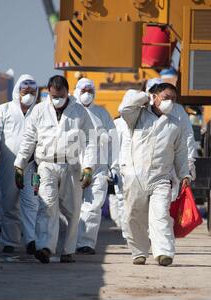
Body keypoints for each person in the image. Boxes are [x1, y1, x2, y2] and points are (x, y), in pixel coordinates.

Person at [14, 75, 96, 264]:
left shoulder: (80, 113)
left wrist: (88, 166)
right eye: (53, 95)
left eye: (61, 95)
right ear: (48, 93)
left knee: (72, 210)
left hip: (71, 166)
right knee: (47, 206)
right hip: (46, 165)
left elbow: (91, 141)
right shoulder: (39, 111)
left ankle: (67, 250)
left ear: (68, 92)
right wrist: (20, 164)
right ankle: (45, 247)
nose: (57, 99)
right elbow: (29, 139)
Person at [119, 84, 191, 266]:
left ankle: (163, 252)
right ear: (155, 97)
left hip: (161, 178)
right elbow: (125, 106)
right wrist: (144, 97)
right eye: (166, 97)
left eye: (173, 99)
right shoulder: (137, 116)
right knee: (134, 216)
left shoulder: (175, 124)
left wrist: (185, 174)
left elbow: (181, 152)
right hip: (136, 176)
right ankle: (139, 252)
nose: (170, 102)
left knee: (160, 215)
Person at [0, 74, 39, 255]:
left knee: (32, 202)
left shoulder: (40, 112)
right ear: (18, 91)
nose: (29, 95)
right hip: (8, 165)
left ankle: (31, 240)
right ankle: (10, 241)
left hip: (33, 166)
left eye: (33, 91)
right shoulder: (4, 110)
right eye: (26, 91)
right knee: (9, 203)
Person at [74, 78, 119, 255]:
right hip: (73, 167)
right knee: (71, 207)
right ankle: (67, 242)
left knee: (92, 206)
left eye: (90, 91)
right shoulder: (71, 112)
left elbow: (113, 142)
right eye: (83, 90)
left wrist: (113, 167)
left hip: (98, 169)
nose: (87, 94)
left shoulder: (102, 114)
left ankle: (86, 243)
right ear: (76, 91)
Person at [146, 78, 197, 200]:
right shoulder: (142, 112)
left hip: (170, 165)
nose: (167, 101)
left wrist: (189, 160)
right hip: (144, 167)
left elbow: (187, 135)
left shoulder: (177, 110)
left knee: (168, 201)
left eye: (171, 97)